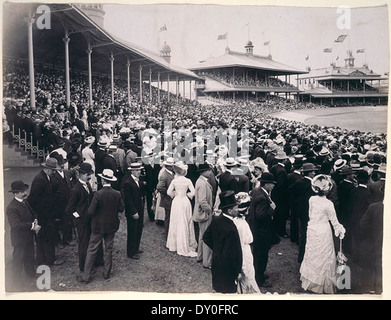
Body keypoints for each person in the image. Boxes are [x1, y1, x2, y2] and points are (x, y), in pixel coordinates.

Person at [300, 174, 346, 294]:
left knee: (313, 254)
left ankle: (312, 281)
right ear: (328, 189)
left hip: (312, 229)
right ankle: (323, 284)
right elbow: (334, 222)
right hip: (323, 231)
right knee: (324, 257)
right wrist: (340, 230)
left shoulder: (312, 199)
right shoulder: (329, 204)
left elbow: (310, 215)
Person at [77, 169, 124, 283]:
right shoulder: (117, 194)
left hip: (98, 227)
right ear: (111, 181)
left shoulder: (98, 194)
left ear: (103, 180)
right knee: (108, 249)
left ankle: (86, 276)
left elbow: (91, 211)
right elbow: (121, 209)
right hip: (111, 226)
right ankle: (106, 273)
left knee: (92, 249)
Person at [65, 162, 103, 273]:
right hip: (82, 222)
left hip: (91, 219)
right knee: (84, 244)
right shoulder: (75, 190)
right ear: (81, 174)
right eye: (87, 174)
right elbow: (69, 209)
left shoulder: (88, 185)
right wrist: (78, 217)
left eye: (90, 174)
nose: (89, 176)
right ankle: (84, 267)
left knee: (94, 241)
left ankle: (97, 262)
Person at [203, 190, 243, 294]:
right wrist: (237, 272)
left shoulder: (216, 220)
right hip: (228, 272)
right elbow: (231, 255)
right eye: (236, 208)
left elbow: (206, 237)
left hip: (216, 265)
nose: (238, 209)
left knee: (218, 291)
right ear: (230, 211)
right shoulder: (231, 229)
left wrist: (217, 248)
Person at [27, 158, 65, 266]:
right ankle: (48, 260)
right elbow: (32, 199)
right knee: (46, 237)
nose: (54, 172)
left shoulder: (46, 177)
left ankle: (44, 260)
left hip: (47, 214)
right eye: (53, 170)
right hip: (43, 215)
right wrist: (38, 214)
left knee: (46, 237)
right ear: (47, 169)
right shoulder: (40, 180)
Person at [6, 180, 41, 290]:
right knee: (18, 260)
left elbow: (32, 212)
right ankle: (16, 281)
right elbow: (16, 225)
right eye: (22, 191)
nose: (25, 193)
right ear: (15, 193)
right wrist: (32, 226)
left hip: (28, 236)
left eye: (25, 190)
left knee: (29, 255)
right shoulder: (11, 208)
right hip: (19, 239)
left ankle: (30, 272)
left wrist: (35, 219)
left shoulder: (25, 202)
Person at [247, 172, 276, 288]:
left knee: (257, 255)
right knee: (261, 256)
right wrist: (271, 209)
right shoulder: (261, 197)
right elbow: (261, 216)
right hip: (261, 231)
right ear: (267, 184)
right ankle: (259, 280)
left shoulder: (256, 191)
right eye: (272, 184)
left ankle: (259, 275)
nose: (273, 186)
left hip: (256, 229)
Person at [166, 162, 198, 257]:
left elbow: (168, 192)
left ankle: (175, 244)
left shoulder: (174, 181)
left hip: (176, 202)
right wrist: (187, 195)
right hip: (185, 201)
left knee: (176, 221)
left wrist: (175, 194)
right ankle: (185, 243)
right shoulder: (188, 180)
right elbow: (194, 192)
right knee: (186, 221)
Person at [234, 192, 260, 294]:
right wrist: (242, 267)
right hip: (244, 254)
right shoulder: (241, 225)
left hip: (246, 252)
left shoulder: (238, 221)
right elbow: (239, 246)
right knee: (247, 279)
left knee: (250, 277)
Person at [121, 162, 145, 260]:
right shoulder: (128, 183)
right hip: (133, 211)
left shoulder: (137, 180)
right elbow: (128, 200)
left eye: (139, 170)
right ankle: (131, 252)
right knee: (132, 231)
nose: (139, 172)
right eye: (137, 170)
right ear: (133, 171)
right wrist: (133, 212)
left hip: (139, 208)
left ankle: (136, 248)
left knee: (139, 229)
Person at [193, 163, 214, 268]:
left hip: (202, 213)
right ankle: (207, 262)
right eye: (209, 170)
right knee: (207, 237)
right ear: (204, 172)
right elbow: (202, 200)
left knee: (202, 236)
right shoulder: (202, 183)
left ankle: (200, 256)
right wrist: (210, 210)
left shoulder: (201, 181)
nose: (210, 172)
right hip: (204, 214)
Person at [156, 157, 175, 236]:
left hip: (170, 199)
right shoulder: (164, 175)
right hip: (167, 199)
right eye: (172, 166)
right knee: (168, 218)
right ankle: (167, 235)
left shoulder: (171, 173)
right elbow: (159, 187)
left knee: (170, 217)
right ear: (168, 166)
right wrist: (168, 193)